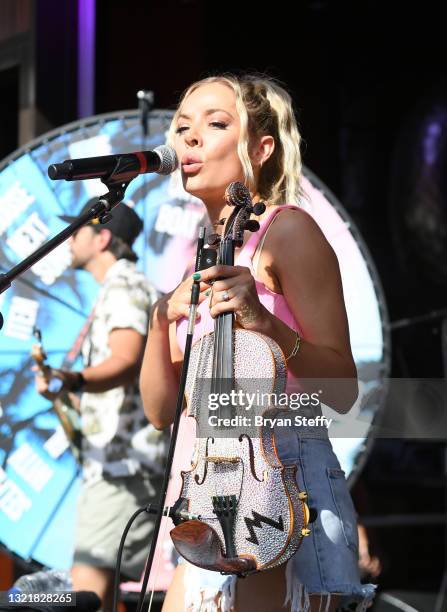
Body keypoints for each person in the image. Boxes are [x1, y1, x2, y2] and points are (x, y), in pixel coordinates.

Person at [139, 74, 376, 611]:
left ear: (260, 149)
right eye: (182, 127)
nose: (189, 138)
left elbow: (342, 390)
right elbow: (159, 411)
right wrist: (159, 320)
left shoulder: (288, 233)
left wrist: (266, 324)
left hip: (284, 493)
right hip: (205, 496)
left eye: (215, 124)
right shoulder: (197, 256)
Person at [35, 201, 168, 610]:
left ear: (103, 238)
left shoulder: (124, 284)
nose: (71, 241)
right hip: (122, 465)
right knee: (99, 598)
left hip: (122, 467)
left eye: (77, 232)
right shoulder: (124, 286)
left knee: (84, 595)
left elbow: (126, 361)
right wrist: (71, 390)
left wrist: (73, 379)